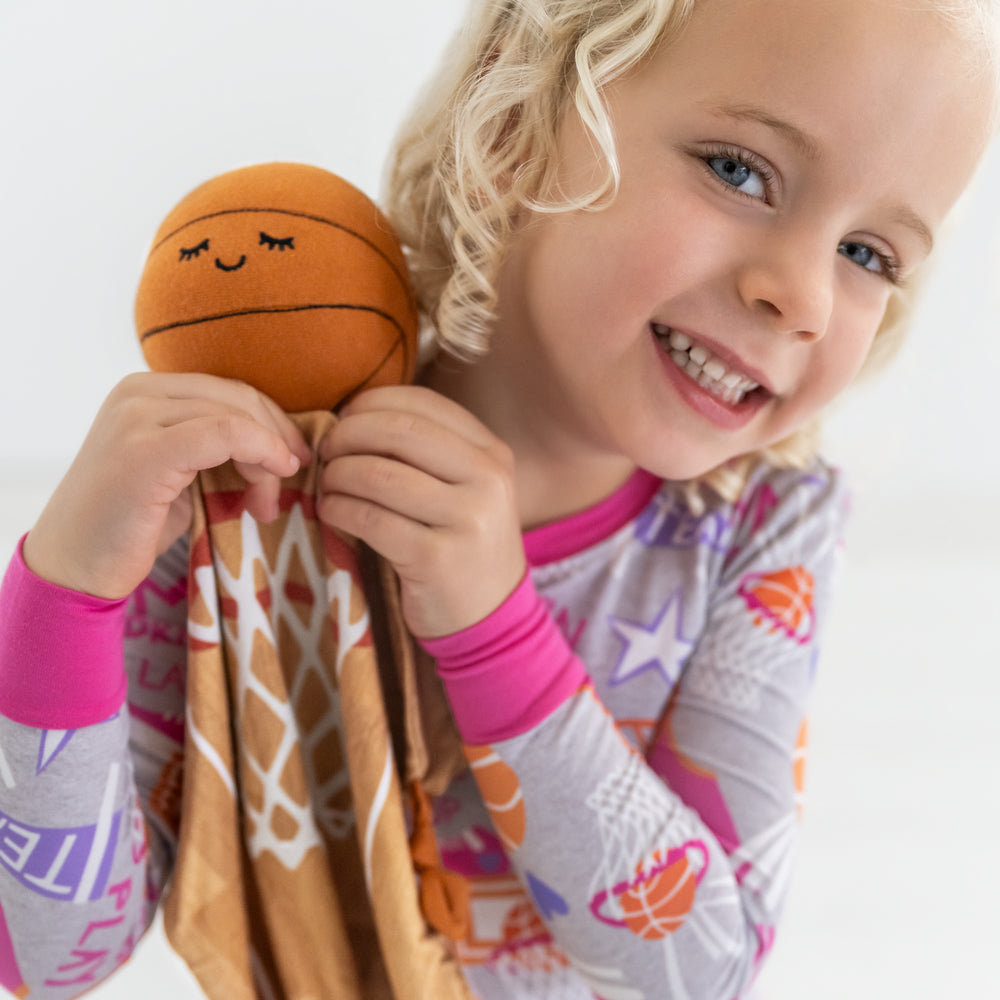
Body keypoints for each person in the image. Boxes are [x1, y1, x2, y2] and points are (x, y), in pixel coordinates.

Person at [1, 0, 996, 996]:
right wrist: (65, 588)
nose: (805, 298)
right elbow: (44, 955)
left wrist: (494, 634)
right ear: (519, 127)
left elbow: (701, 970)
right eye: (738, 169)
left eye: (869, 255)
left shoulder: (765, 523)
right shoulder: (252, 479)